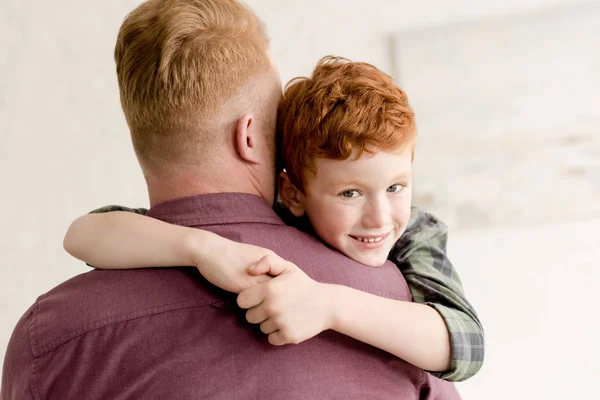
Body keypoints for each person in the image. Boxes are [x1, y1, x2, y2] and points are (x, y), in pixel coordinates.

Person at [0, 1, 467, 399]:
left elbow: (86, 232)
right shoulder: (401, 306)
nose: (379, 215)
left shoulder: (47, 337)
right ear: (249, 136)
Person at [63, 57, 484, 382]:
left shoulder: (414, 231)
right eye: (350, 193)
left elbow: (466, 345)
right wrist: (204, 249)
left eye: (396, 188)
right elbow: (83, 235)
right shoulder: (273, 218)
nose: (380, 217)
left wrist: (328, 305)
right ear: (294, 195)